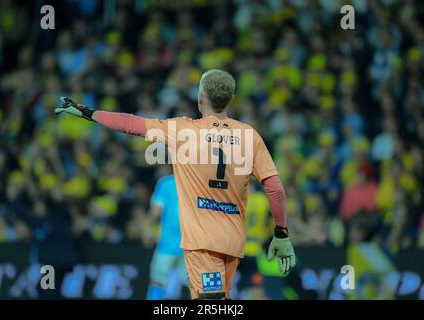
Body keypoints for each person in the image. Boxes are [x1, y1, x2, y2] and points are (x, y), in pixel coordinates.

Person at [55, 69, 296, 300]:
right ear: (231, 100)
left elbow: (131, 124)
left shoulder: (184, 130)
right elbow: (274, 187)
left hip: (203, 243)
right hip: (232, 241)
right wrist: (282, 233)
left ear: (200, 99)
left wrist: (87, 112)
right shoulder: (249, 135)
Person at [145, 166, 188, 299]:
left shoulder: (166, 183)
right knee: (193, 285)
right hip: (188, 244)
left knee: (157, 282)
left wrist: (148, 230)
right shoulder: (199, 182)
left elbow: (155, 212)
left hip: (170, 244)